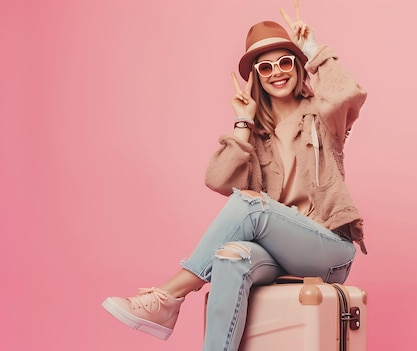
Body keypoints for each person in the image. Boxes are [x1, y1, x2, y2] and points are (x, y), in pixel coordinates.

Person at [102, 2, 367, 350]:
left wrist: (312, 50)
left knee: (251, 206)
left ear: (297, 66)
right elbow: (218, 180)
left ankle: (169, 296)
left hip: (327, 251)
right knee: (231, 257)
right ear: (257, 76)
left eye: (285, 62)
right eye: (266, 66)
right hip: (278, 252)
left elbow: (349, 93)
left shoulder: (321, 116)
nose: (277, 72)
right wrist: (243, 124)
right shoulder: (258, 134)